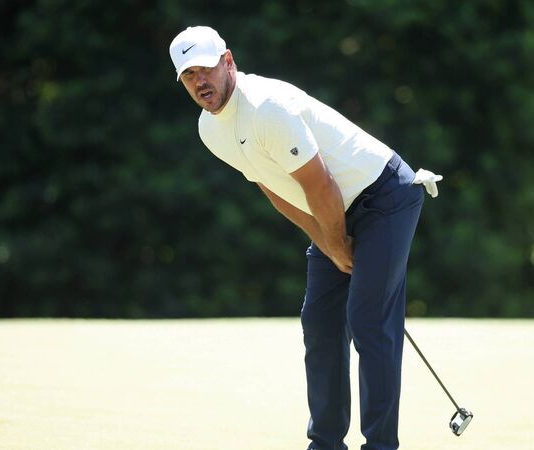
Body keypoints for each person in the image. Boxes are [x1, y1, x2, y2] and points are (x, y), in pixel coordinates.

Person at [169, 26, 441, 450]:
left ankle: (381, 445)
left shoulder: (266, 108)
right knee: (320, 323)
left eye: (206, 69)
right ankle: (326, 444)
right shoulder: (210, 129)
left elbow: (320, 185)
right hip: (331, 208)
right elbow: (275, 189)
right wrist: (330, 244)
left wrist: (337, 243)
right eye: (189, 75)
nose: (200, 81)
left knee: (368, 320)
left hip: (385, 194)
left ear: (228, 62)